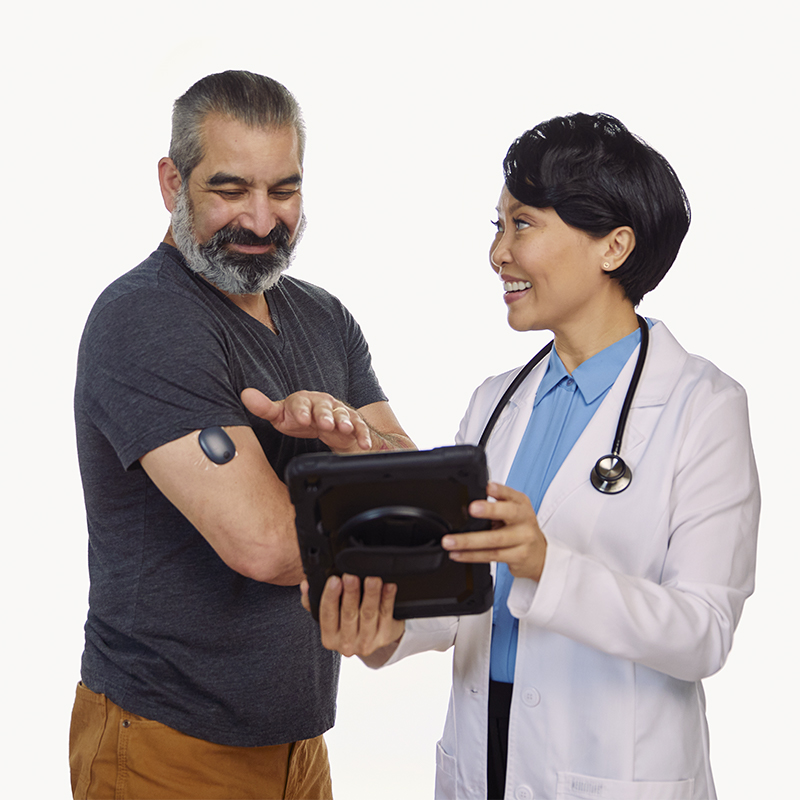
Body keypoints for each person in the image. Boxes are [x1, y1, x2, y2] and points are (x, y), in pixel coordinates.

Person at [306, 113, 760, 800]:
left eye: (523, 225)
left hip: (615, 775)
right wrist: (379, 632)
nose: (498, 254)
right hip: (484, 761)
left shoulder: (704, 406)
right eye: (497, 226)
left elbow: (704, 633)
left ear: (614, 246)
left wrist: (547, 565)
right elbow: (467, 597)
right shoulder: (496, 402)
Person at [69, 70, 413, 800]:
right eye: (230, 190)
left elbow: (424, 495)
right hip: (169, 744)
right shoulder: (147, 319)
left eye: (283, 190)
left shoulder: (325, 318)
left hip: (298, 743)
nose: (261, 221)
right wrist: (385, 504)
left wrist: (356, 450)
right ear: (172, 181)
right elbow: (264, 546)